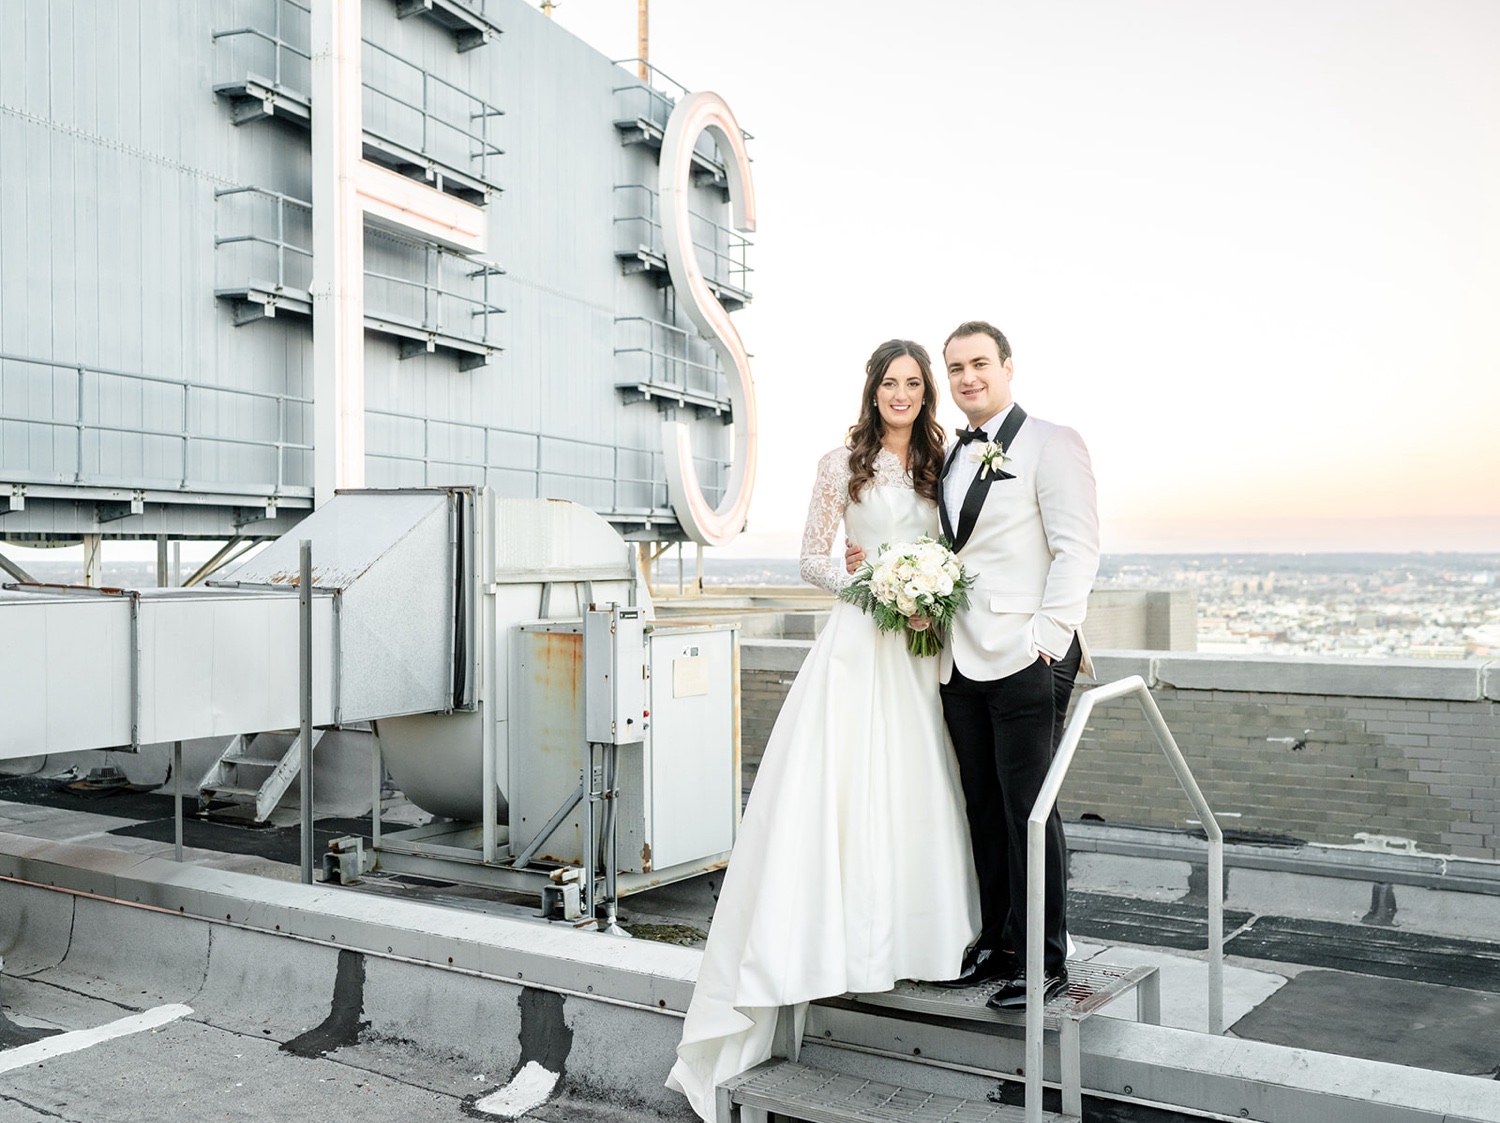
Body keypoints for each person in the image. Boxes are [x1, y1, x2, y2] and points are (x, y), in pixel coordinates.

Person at [667, 340, 980, 1122]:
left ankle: (924, 941)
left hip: (921, 648)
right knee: (840, 786)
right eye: (889, 383)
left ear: (925, 392)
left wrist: (928, 590)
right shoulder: (840, 462)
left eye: (913, 383)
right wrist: (879, 583)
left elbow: (961, 545)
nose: (900, 394)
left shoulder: (947, 459)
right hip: (859, 639)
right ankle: (835, 943)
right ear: (871, 390)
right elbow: (812, 557)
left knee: (921, 785)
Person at [931, 320, 1099, 1009]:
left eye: (978, 364)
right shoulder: (952, 455)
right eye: (956, 368)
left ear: (1006, 366)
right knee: (983, 808)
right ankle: (1001, 942)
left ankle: (1043, 957)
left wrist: (1047, 639)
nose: (967, 378)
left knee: (1030, 809)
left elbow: (1078, 548)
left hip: (1026, 656)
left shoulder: (1052, 442)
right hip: (960, 657)